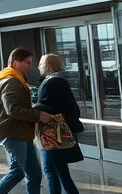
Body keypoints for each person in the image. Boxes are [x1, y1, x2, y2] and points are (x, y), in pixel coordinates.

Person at [0, 47, 52, 194]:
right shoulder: (11, 81)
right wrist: (37, 115)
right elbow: (12, 110)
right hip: (14, 134)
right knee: (17, 171)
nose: (30, 66)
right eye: (27, 62)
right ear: (15, 63)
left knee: (34, 174)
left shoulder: (17, 80)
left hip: (22, 134)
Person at [35, 53, 85, 194]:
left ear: (48, 66)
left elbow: (47, 106)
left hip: (52, 134)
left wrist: (35, 108)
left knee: (54, 171)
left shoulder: (52, 82)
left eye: (41, 64)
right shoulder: (59, 81)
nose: (39, 67)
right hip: (57, 133)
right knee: (58, 170)